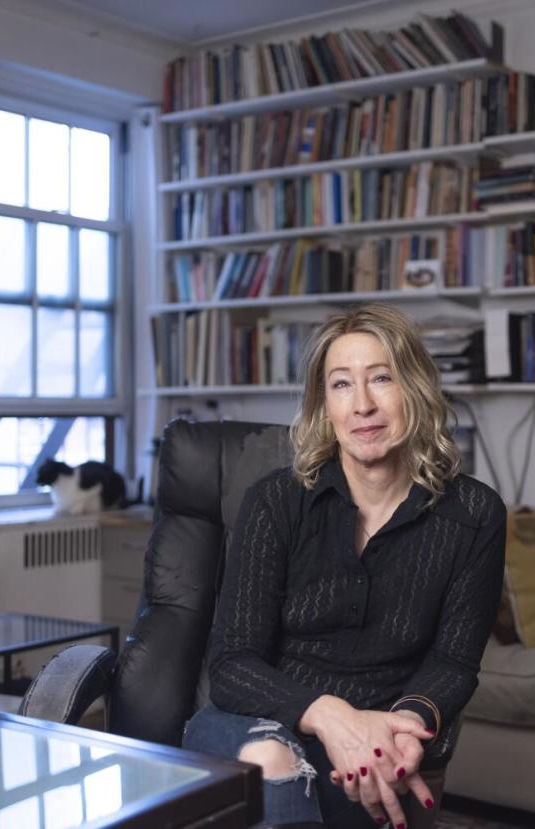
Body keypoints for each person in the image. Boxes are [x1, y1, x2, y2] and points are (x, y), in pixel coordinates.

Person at [182, 303, 507, 829]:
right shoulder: (276, 502)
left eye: (381, 378)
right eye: (340, 384)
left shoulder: (474, 513)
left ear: (416, 391)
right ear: (322, 405)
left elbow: (454, 663)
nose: (362, 405)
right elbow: (233, 663)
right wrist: (332, 717)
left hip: (381, 737)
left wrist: (406, 724)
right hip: (257, 722)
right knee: (272, 760)